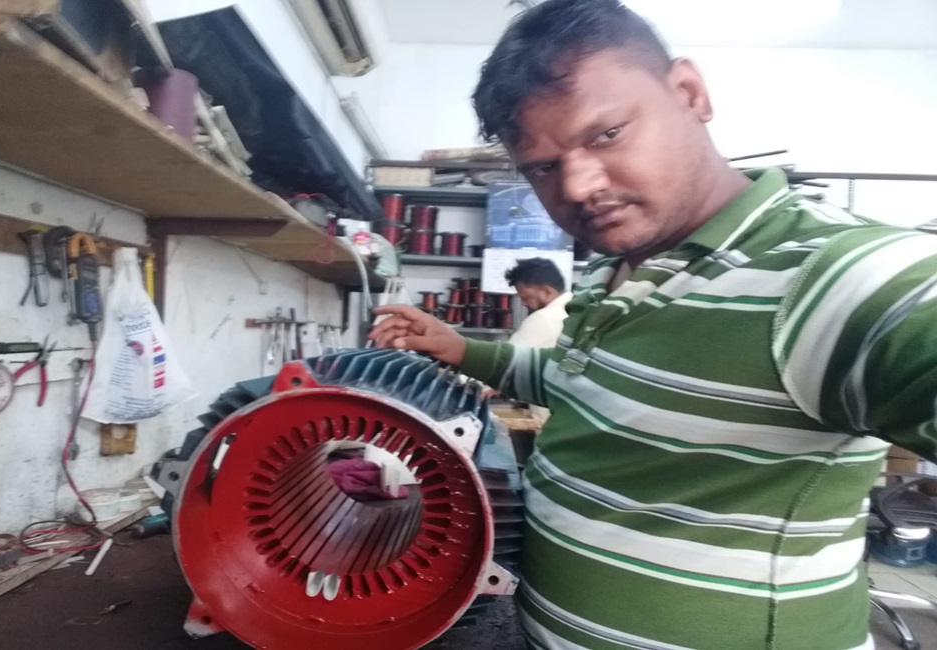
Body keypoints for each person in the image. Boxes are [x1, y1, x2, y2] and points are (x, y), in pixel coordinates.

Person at [370, 1, 937, 648]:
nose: (578, 186)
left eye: (605, 134)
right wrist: (462, 349)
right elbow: (577, 382)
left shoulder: (834, 274)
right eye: (543, 168)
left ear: (689, 93)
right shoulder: (605, 272)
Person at [504, 258, 573, 425]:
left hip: (549, 418)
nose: (524, 303)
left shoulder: (544, 318)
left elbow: (503, 362)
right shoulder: (577, 309)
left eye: (527, 297)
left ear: (547, 291)